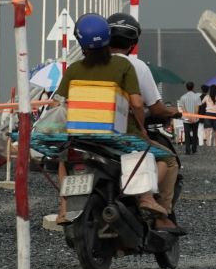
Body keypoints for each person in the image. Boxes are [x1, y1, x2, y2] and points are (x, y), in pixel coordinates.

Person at [53, 14, 174, 230]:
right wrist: (140, 129)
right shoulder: (121, 65)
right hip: (118, 134)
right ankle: (146, 198)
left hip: (81, 135)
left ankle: (64, 206)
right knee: (164, 158)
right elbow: (137, 103)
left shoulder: (74, 69)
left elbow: (59, 103)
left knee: (65, 160)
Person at [107, 12, 184, 216]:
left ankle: (63, 207)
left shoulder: (86, 65)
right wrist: (172, 112)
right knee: (168, 160)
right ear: (132, 43)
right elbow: (151, 107)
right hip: (125, 133)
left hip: (86, 131)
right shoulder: (136, 66)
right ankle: (160, 213)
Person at [177, 81, 202, 156]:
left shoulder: (183, 97)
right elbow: (197, 108)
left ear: (186, 88)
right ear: (193, 87)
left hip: (186, 119)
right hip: (195, 119)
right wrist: (193, 117)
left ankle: (187, 150)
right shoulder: (197, 97)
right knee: (195, 134)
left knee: (187, 134)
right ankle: (194, 149)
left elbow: (183, 109)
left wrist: (189, 117)